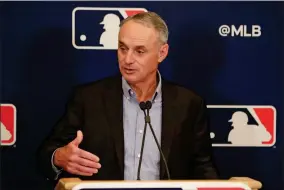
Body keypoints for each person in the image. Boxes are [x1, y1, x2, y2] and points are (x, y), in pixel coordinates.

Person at [37, 11, 219, 182]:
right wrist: (58, 157)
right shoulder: (88, 99)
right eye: (123, 48)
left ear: (162, 53)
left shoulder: (189, 104)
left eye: (139, 51)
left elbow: (202, 165)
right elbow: (47, 154)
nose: (127, 59)